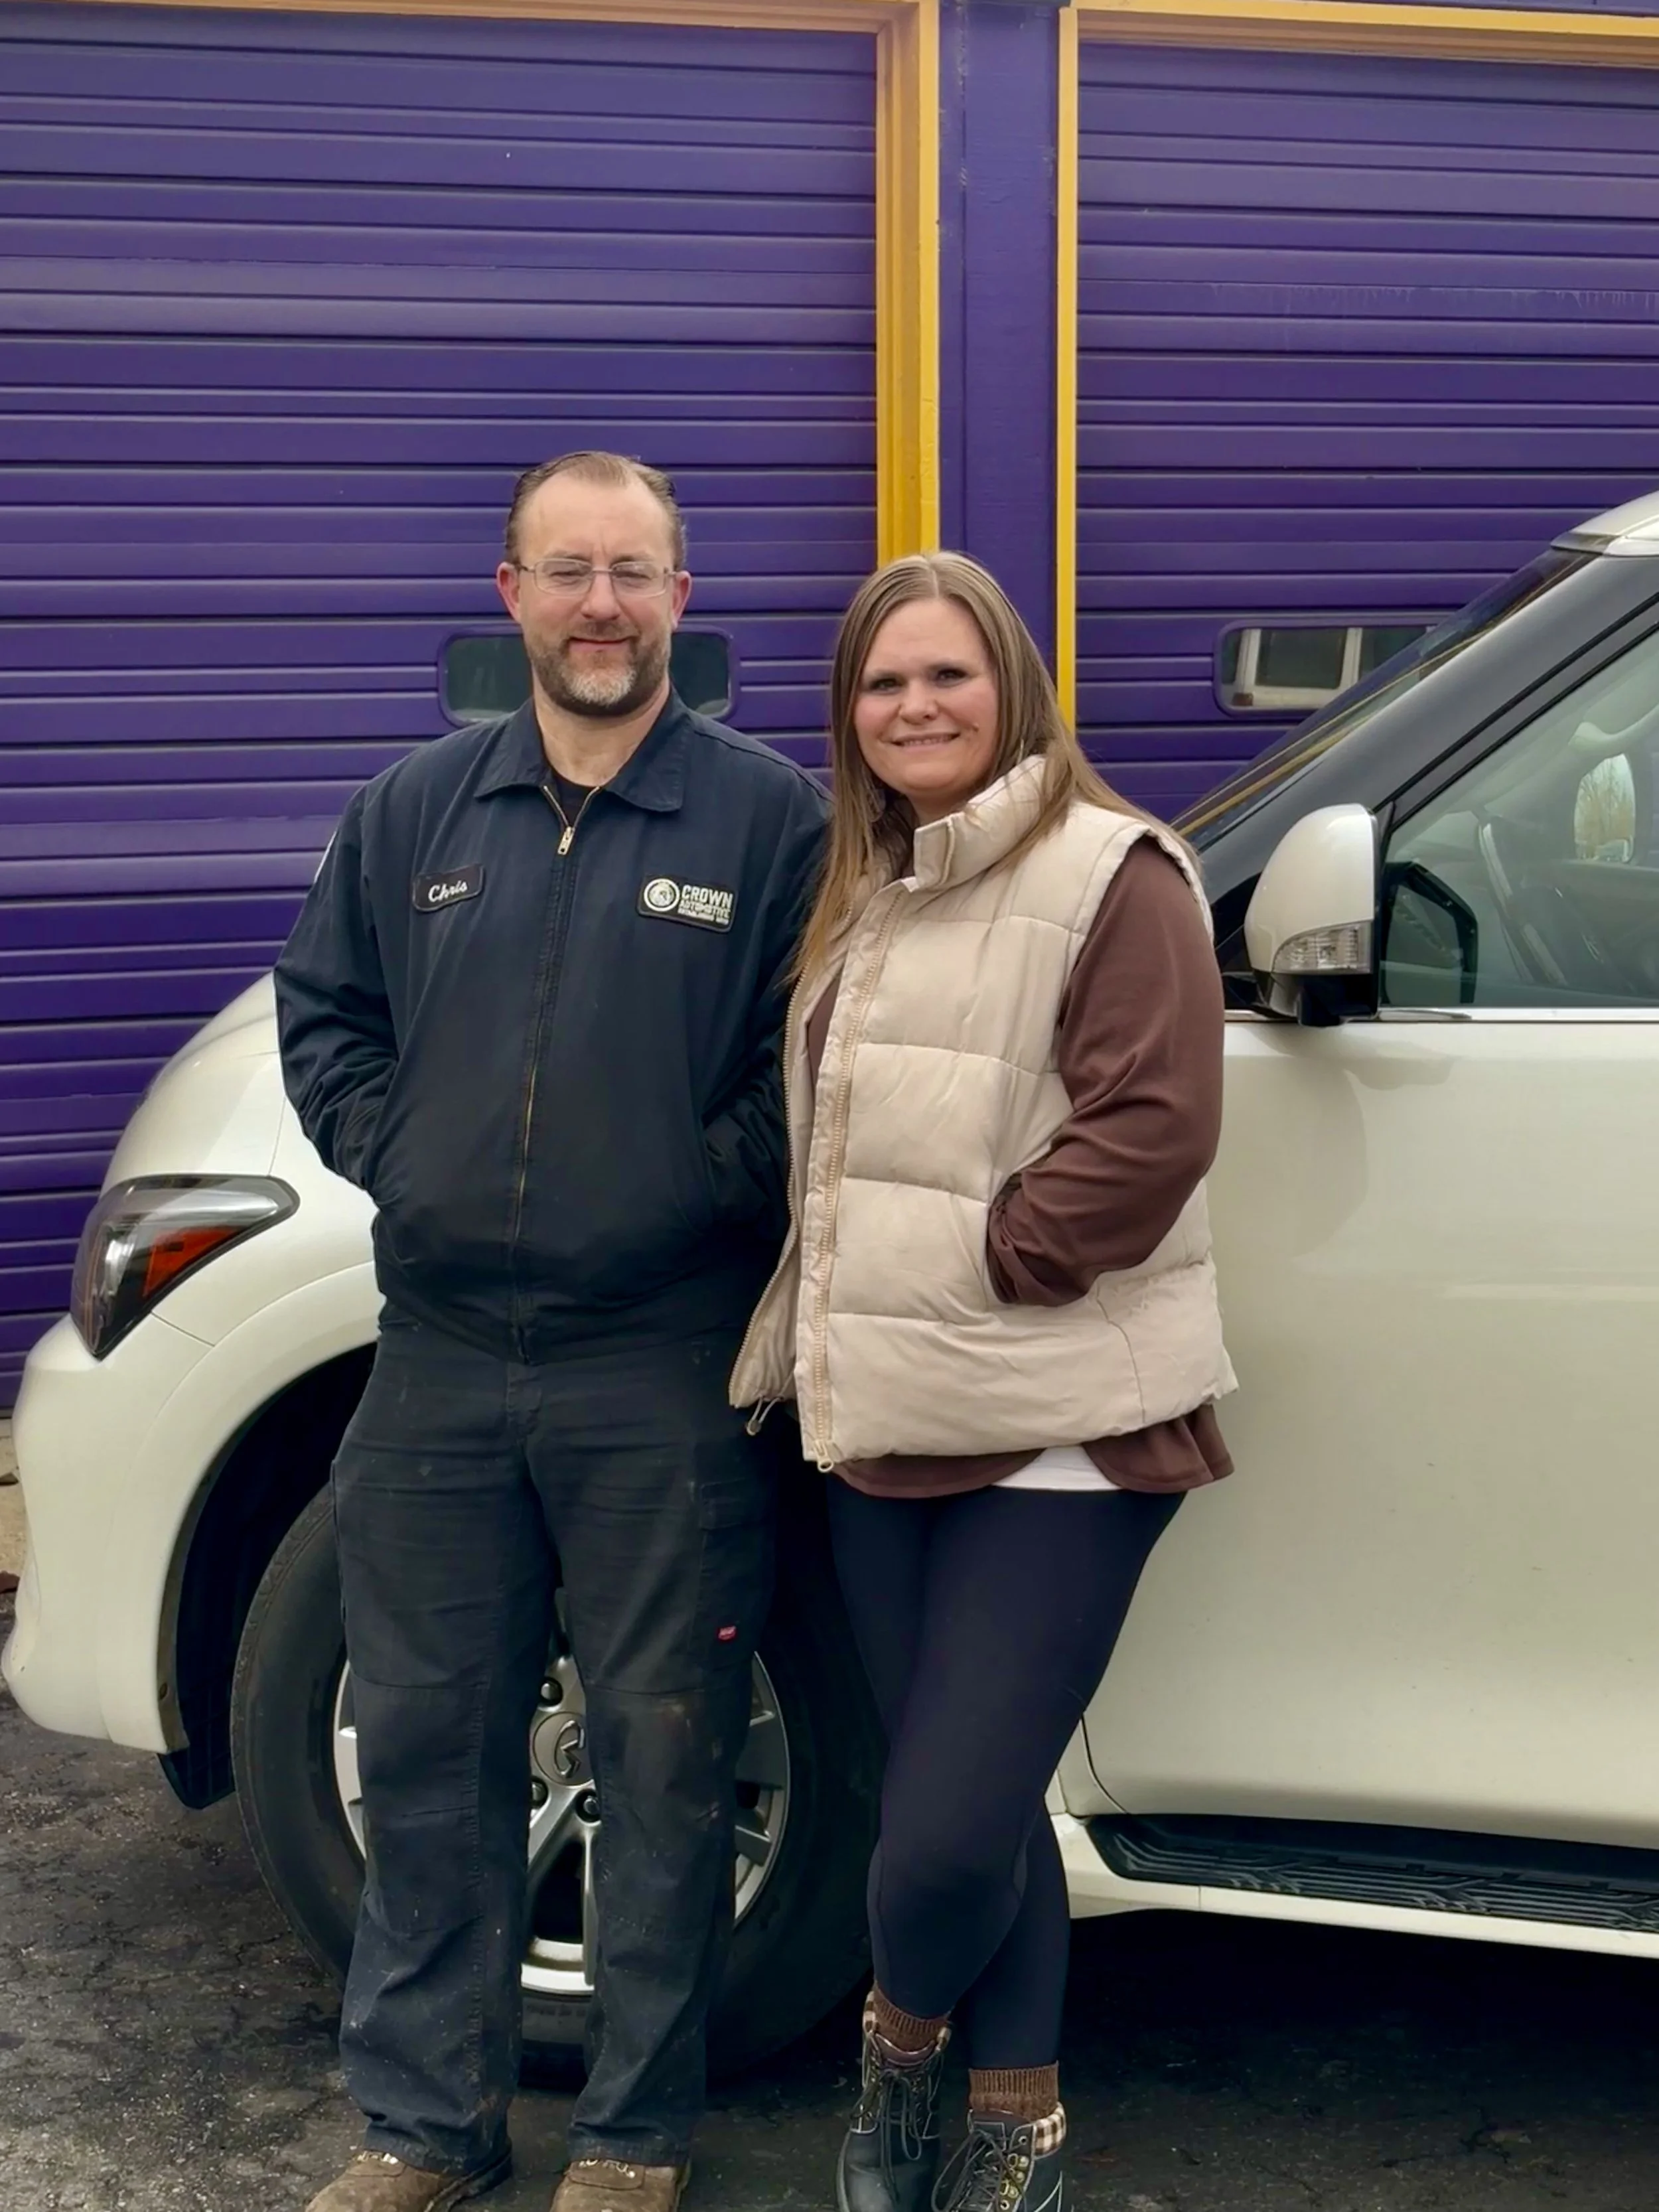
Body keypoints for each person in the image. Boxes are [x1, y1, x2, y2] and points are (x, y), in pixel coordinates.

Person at [275, 451, 828, 2212]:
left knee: (662, 1756)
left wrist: (680, 1190)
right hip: (434, 1362)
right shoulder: (414, 810)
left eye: (635, 572)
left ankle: (630, 2136)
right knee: (431, 1756)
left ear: (682, 596)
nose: (602, 603)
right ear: (507, 593)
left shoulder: (768, 823)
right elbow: (322, 1015)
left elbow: (802, 1071)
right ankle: (421, 2127)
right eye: (568, 570)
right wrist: (411, 1170)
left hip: (657, 1369)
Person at [730, 552, 1236, 2212]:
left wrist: (994, 1265)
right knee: (979, 1795)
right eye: (881, 686)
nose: (912, 708)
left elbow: (1151, 1126)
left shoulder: (1115, 871)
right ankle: (1014, 2114)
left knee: (940, 1830)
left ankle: (893, 2051)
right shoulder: (861, 887)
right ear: (848, 717)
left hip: (1060, 1427)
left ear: (1010, 687)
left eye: (944, 676)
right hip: (880, 1419)